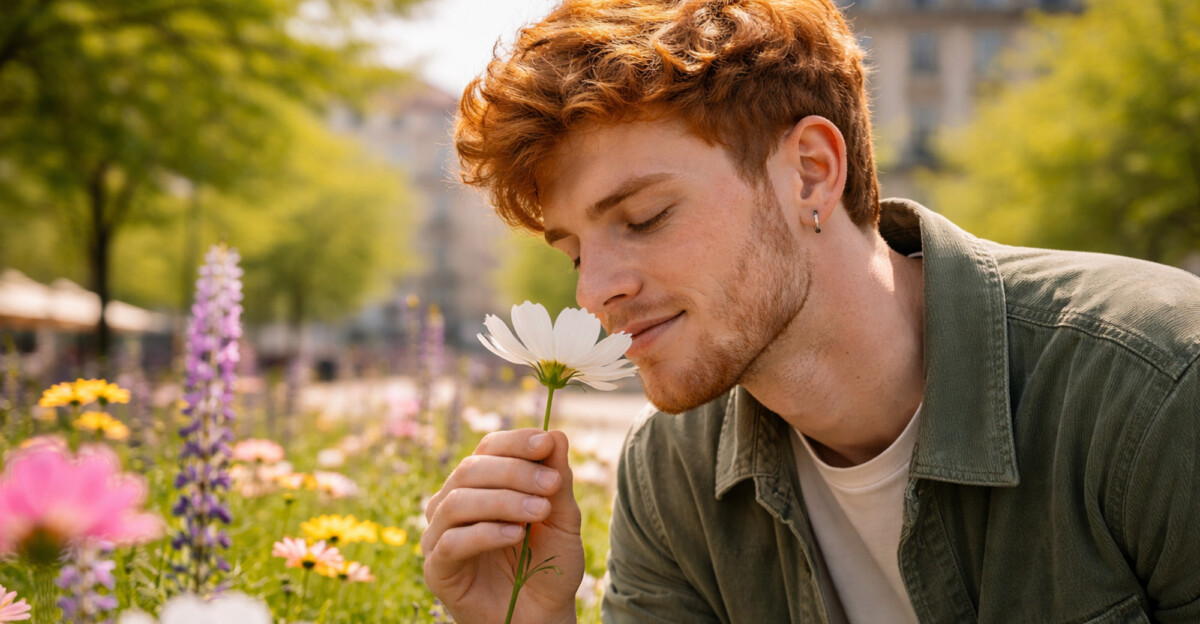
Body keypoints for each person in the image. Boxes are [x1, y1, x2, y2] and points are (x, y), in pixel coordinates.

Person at [420, 0, 1200, 622]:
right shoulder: (674, 476)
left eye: (646, 216)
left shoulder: (1158, 388)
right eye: (575, 253)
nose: (593, 293)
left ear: (811, 173)